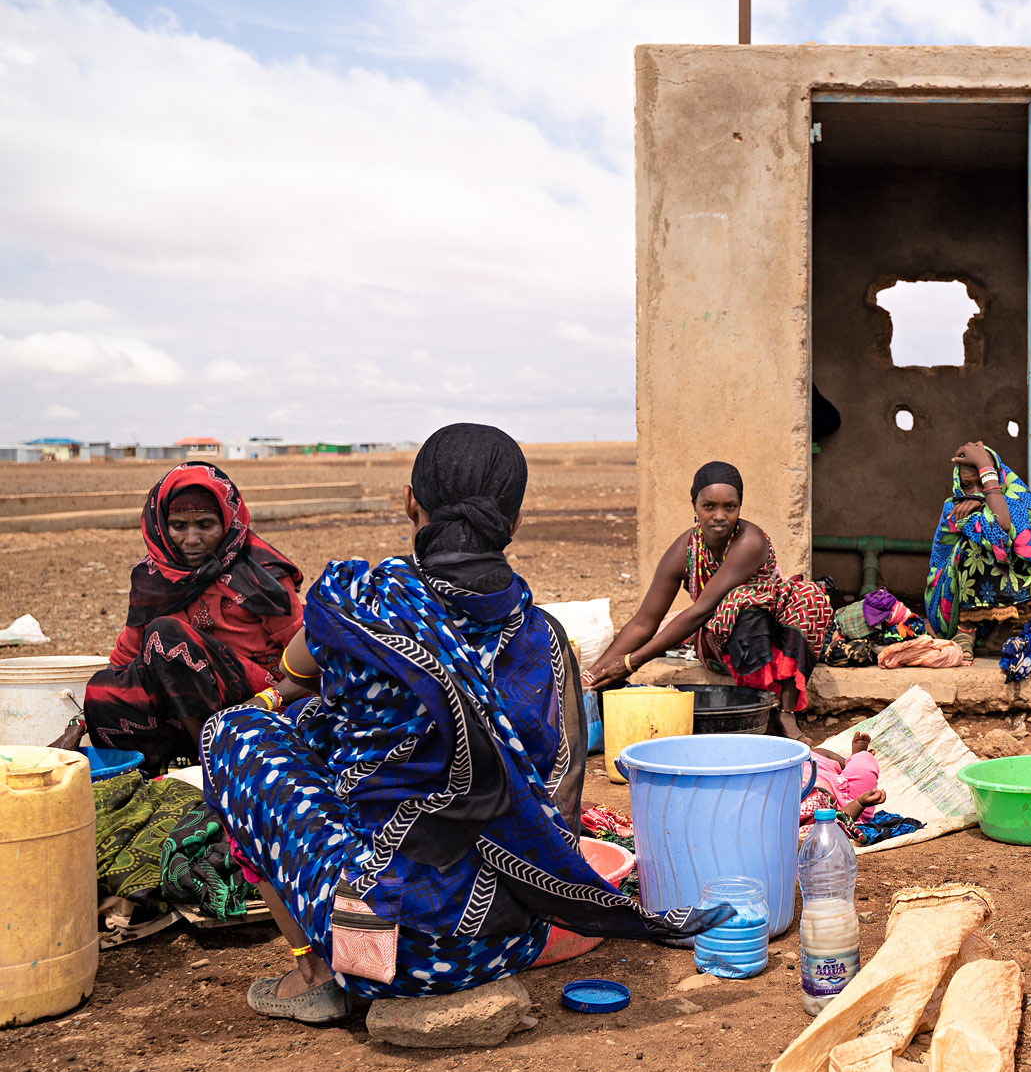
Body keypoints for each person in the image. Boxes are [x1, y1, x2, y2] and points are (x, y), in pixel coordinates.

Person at [201, 424, 730, 1024]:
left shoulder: (361, 604)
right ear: (515, 523)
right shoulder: (547, 644)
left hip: (382, 954)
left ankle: (318, 972)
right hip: (510, 945)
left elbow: (294, 671)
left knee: (234, 733)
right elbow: (557, 806)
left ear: (409, 502)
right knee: (345, 730)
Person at [56, 463, 302, 776]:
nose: (192, 538)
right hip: (186, 700)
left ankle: (213, 761)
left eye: (205, 524)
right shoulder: (154, 578)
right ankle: (167, 765)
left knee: (166, 636)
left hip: (260, 700)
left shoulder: (261, 574)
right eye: (178, 526)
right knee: (104, 691)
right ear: (161, 526)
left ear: (227, 522)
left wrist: (269, 699)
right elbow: (125, 657)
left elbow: (310, 655)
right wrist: (79, 724)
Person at [584, 462, 831, 739]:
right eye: (709, 506)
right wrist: (593, 675)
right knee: (740, 607)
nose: (719, 516)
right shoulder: (684, 551)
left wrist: (632, 662)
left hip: (772, 638)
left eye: (730, 507)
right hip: (722, 646)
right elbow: (644, 621)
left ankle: (784, 713)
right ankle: (758, 702)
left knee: (805, 596)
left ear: (740, 506)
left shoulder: (751, 540)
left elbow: (701, 610)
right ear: (694, 505)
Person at [924, 441, 1031, 656]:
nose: (976, 492)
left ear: (999, 476)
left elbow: (1017, 527)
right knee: (979, 547)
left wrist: (985, 489)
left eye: (983, 482)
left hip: (1009, 588)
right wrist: (987, 495)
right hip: (956, 595)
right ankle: (966, 629)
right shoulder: (955, 508)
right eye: (968, 486)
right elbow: (1001, 527)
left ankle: (1022, 624)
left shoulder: (1017, 496)